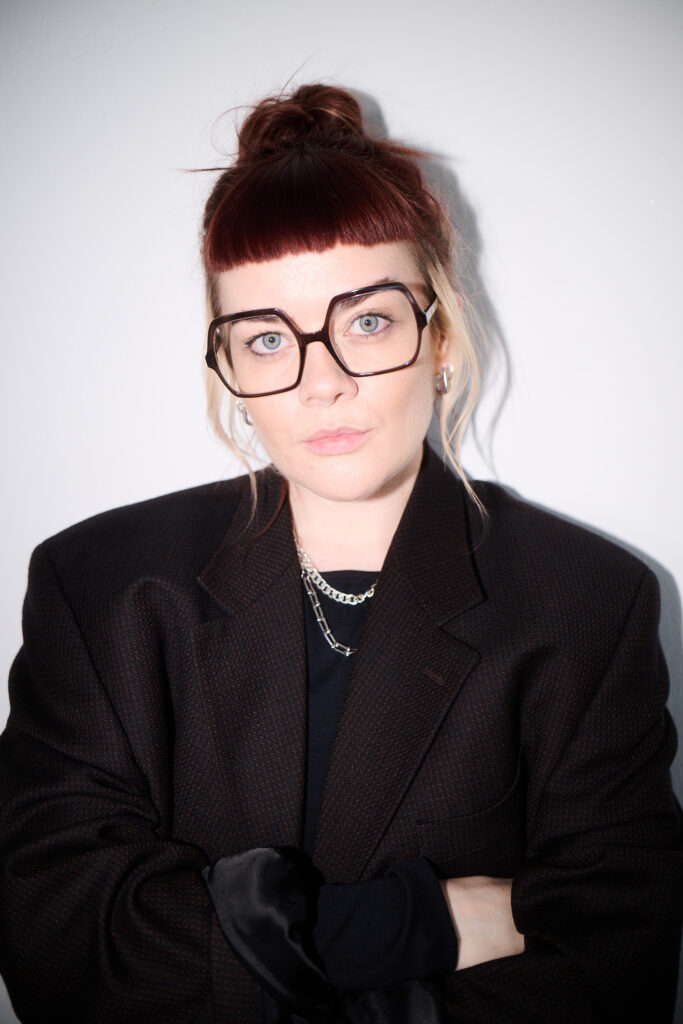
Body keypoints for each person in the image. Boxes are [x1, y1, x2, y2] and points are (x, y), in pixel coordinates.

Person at [0, 83, 680, 1024]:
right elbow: (57, 936)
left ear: (438, 335)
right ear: (228, 367)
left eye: (366, 320)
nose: (319, 382)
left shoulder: (587, 605)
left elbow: (610, 972)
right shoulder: (100, 587)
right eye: (266, 338)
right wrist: (414, 926)